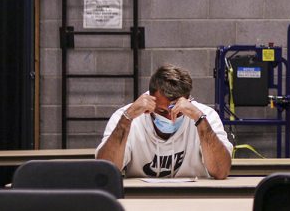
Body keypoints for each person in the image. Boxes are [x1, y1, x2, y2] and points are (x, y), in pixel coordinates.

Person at [96, 64, 232, 179]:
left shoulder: (206, 116)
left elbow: (221, 171)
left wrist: (199, 120)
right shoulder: (126, 116)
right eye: (161, 111)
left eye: (177, 111)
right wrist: (127, 119)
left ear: (188, 100)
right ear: (150, 99)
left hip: (193, 199)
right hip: (143, 200)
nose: (169, 118)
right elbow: (104, 172)